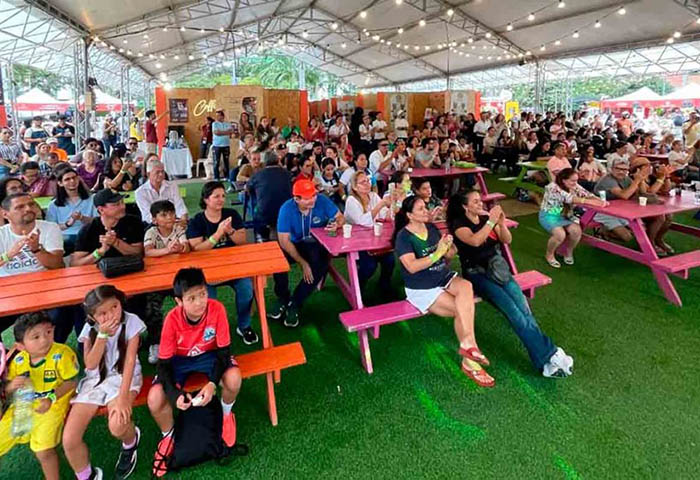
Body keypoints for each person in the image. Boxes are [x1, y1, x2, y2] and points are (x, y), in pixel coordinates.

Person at [446, 191, 573, 377]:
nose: (480, 204)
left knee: (524, 310)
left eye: (480, 200)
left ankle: (545, 362)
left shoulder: (485, 218)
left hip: (499, 270)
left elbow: (507, 240)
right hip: (477, 274)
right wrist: (491, 222)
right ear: (465, 206)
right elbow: (475, 241)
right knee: (514, 313)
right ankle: (551, 354)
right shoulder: (459, 225)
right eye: (475, 201)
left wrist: (500, 223)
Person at [147, 268, 242, 477]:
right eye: (191, 298)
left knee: (234, 378)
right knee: (154, 399)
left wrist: (212, 383)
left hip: (209, 355)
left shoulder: (217, 309)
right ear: (178, 301)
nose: (200, 302)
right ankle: (168, 435)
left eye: (203, 294)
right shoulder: (172, 320)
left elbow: (224, 352)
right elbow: (164, 364)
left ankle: (226, 415)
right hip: (179, 361)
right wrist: (175, 395)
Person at [392, 195, 493, 387]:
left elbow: (448, 256)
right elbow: (411, 267)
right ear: (409, 215)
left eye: (425, 207)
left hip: (441, 276)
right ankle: (470, 360)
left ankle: (468, 346)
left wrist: (449, 248)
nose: (426, 211)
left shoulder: (431, 228)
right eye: (421, 209)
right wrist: (437, 253)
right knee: (462, 309)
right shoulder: (403, 237)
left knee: (466, 287)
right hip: (422, 287)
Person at [62, 286, 145, 480]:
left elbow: (130, 362)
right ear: (92, 317)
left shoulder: (131, 321)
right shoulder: (89, 329)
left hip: (124, 377)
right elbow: (90, 364)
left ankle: (130, 442)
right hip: (95, 381)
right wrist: (102, 335)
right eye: (102, 313)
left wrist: (123, 398)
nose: (111, 315)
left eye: (115, 306)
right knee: (69, 439)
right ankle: (87, 476)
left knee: (117, 426)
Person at [0, 312, 79, 480]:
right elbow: (7, 389)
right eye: (35, 337)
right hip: (22, 406)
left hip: (53, 405)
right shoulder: (18, 360)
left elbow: (72, 382)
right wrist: (11, 386)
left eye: (48, 332)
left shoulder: (62, 354)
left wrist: (51, 398)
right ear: (21, 346)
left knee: (42, 450)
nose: (44, 340)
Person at [186, 181, 258, 345]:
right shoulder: (197, 221)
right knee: (208, 300)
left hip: (233, 267)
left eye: (223, 196)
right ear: (206, 199)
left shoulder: (231, 214)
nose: (221, 199)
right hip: (207, 272)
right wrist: (218, 234)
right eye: (216, 196)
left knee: (246, 290)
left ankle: (244, 325)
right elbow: (197, 249)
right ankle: (212, 330)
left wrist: (230, 230)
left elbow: (242, 241)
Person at [268, 179, 344, 327]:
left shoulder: (322, 200)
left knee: (321, 264)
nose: (313, 200)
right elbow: (284, 241)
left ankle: (295, 302)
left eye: (314, 195)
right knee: (278, 260)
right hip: (294, 243)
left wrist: (337, 224)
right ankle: (283, 297)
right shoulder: (286, 209)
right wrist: (303, 263)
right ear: (296, 199)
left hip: (315, 243)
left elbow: (340, 217)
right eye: (308, 198)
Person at [539, 168, 607, 268]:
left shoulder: (574, 185)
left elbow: (586, 193)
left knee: (577, 231)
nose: (575, 183)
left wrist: (600, 200)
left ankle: (568, 252)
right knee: (560, 234)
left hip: (566, 215)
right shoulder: (552, 187)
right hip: (550, 215)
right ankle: (549, 254)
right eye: (573, 180)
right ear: (563, 180)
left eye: (576, 180)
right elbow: (569, 198)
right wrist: (592, 202)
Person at [344, 171, 395, 293]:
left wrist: (393, 204)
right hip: (356, 241)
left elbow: (385, 216)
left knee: (390, 260)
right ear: (355, 187)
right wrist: (381, 204)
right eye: (363, 182)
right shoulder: (351, 200)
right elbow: (363, 221)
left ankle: (384, 285)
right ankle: (357, 289)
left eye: (368, 181)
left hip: (373, 239)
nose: (367, 184)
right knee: (369, 266)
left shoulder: (373, 196)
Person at [71, 189, 144, 266]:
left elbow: (139, 253)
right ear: (101, 210)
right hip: (100, 270)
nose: (123, 206)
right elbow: (75, 264)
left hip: (130, 267)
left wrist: (116, 242)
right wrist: (100, 252)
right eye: (116, 204)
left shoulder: (133, 222)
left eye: (122, 202)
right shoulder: (89, 229)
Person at [46, 168, 97, 254]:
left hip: (87, 234)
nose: (72, 181)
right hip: (65, 237)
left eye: (74, 177)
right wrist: (68, 224)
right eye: (67, 179)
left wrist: (82, 218)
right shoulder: (54, 204)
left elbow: (97, 221)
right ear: (60, 183)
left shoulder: (92, 198)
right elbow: (51, 227)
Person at [135, 157, 188, 225]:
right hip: (153, 224)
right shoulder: (140, 192)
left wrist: (183, 220)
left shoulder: (172, 186)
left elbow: (180, 206)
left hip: (173, 221)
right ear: (148, 174)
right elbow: (148, 215)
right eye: (157, 172)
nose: (161, 174)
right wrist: (167, 222)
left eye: (162, 171)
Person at [211, 110, 233, 182]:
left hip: (226, 145)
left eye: (219, 115)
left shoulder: (227, 124)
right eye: (216, 116)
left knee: (226, 161)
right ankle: (216, 177)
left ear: (222, 116)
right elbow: (216, 133)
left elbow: (230, 131)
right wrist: (226, 132)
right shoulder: (214, 124)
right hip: (216, 145)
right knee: (216, 162)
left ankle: (227, 176)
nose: (217, 117)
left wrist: (222, 132)